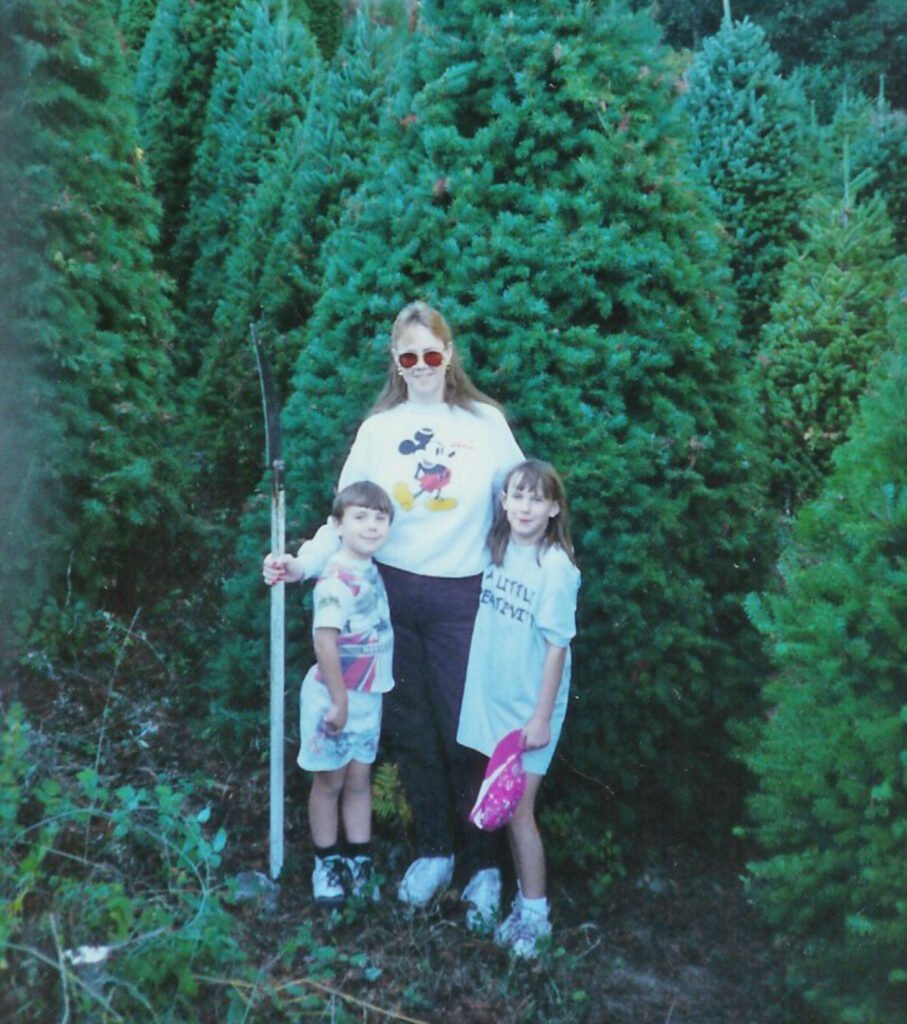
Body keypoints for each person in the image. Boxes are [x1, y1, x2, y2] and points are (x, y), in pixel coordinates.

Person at [263, 301, 523, 924]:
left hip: (464, 598)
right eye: (409, 357)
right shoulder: (380, 430)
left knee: (468, 731)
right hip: (390, 601)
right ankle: (434, 851)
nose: (422, 366)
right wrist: (301, 564)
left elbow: (521, 504)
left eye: (432, 354)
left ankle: (483, 866)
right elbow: (343, 517)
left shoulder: (485, 423)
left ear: (449, 354)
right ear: (397, 362)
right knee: (410, 730)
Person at [457, 459, 581, 957]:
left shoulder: (555, 567)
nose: (525, 507)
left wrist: (540, 718)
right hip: (493, 700)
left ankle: (536, 915)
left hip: (530, 713)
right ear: (503, 502)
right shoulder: (499, 547)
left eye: (537, 498)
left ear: (554, 508)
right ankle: (516, 905)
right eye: (517, 496)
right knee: (503, 808)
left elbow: (557, 649)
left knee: (519, 812)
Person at [273, 481, 395, 905]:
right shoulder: (335, 579)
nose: (372, 525)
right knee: (329, 781)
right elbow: (325, 642)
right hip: (335, 697)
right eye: (360, 517)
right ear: (337, 525)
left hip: (367, 696)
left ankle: (359, 859)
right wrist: (340, 702)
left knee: (359, 779)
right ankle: (326, 863)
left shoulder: (369, 566)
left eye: (380, 517)